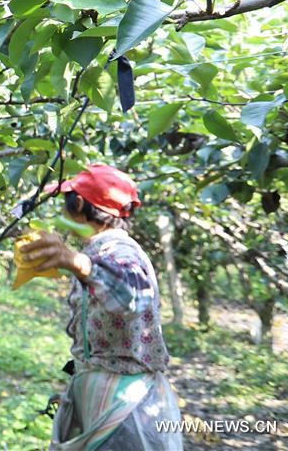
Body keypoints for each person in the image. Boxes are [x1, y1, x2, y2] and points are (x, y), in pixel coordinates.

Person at [20, 164, 182, 450]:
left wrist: (78, 264)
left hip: (127, 405)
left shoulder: (119, 250)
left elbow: (133, 296)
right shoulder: (98, 251)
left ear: (78, 204)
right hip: (107, 399)